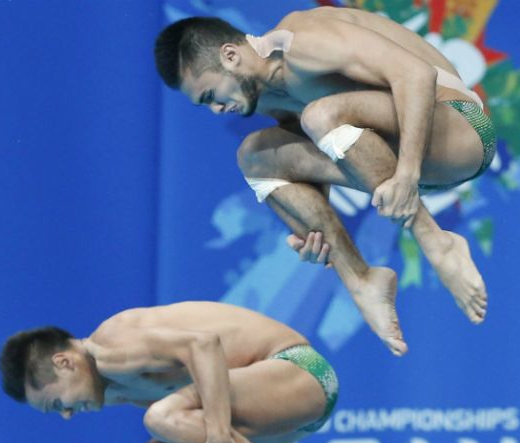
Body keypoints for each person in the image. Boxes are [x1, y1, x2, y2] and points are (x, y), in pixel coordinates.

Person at [154, 6, 494, 356]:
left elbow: (416, 74)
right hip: (409, 166)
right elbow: (327, 149)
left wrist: (407, 174)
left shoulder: (305, 42)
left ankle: (437, 242)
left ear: (230, 55)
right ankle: (361, 280)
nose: (215, 110)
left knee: (321, 115)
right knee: (253, 158)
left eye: (210, 96)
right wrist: (315, 229)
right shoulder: (264, 95)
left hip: (463, 131)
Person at [0, 301, 336, 443]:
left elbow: (204, 346)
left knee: (163, 417)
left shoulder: (110, 347)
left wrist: (219, 437)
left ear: (64, 363)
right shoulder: (111, 390)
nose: (66, 414)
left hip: (302, 370)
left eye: (57, 402)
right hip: (289, 417)